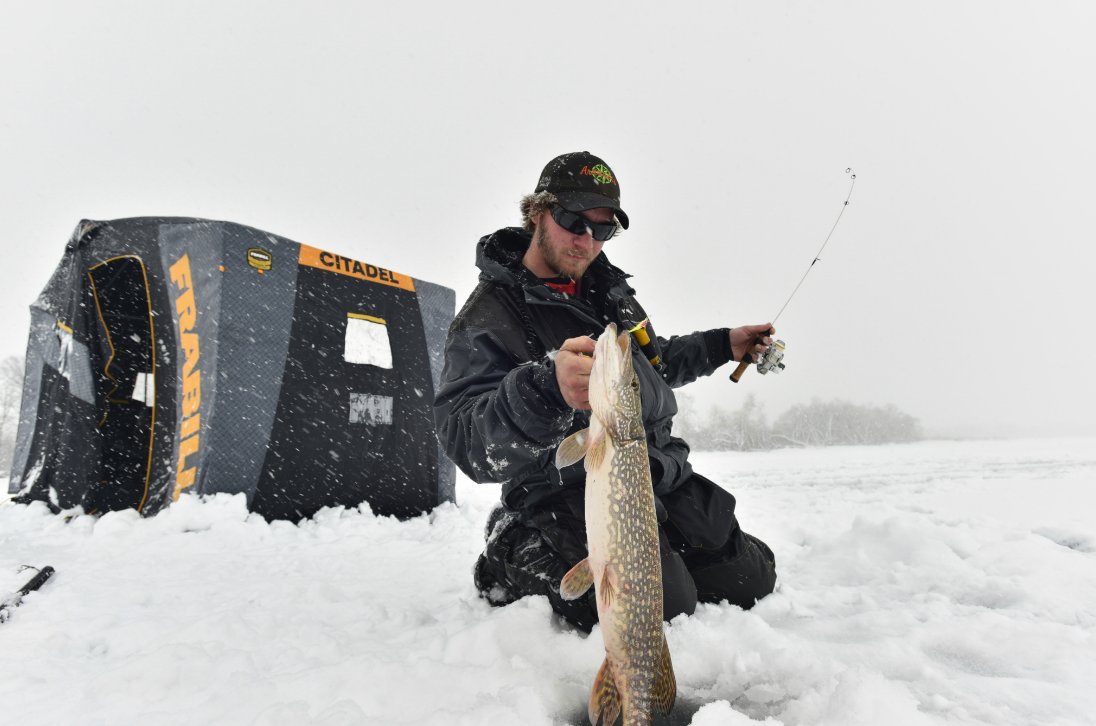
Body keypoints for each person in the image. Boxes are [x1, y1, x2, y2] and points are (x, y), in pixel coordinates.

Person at [434, 151, 777, 632]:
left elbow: (654, 363)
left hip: (651, 474)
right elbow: (467, 440)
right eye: (575, 221)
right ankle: (512, 549)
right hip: (562, 492)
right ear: (537, 212)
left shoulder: (607, 291)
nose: (586, 240)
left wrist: (724, 344)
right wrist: (546, 388)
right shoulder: (491, 316)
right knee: (658, 607)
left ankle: (669, 548)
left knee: (751, 578)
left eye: (603, 229)